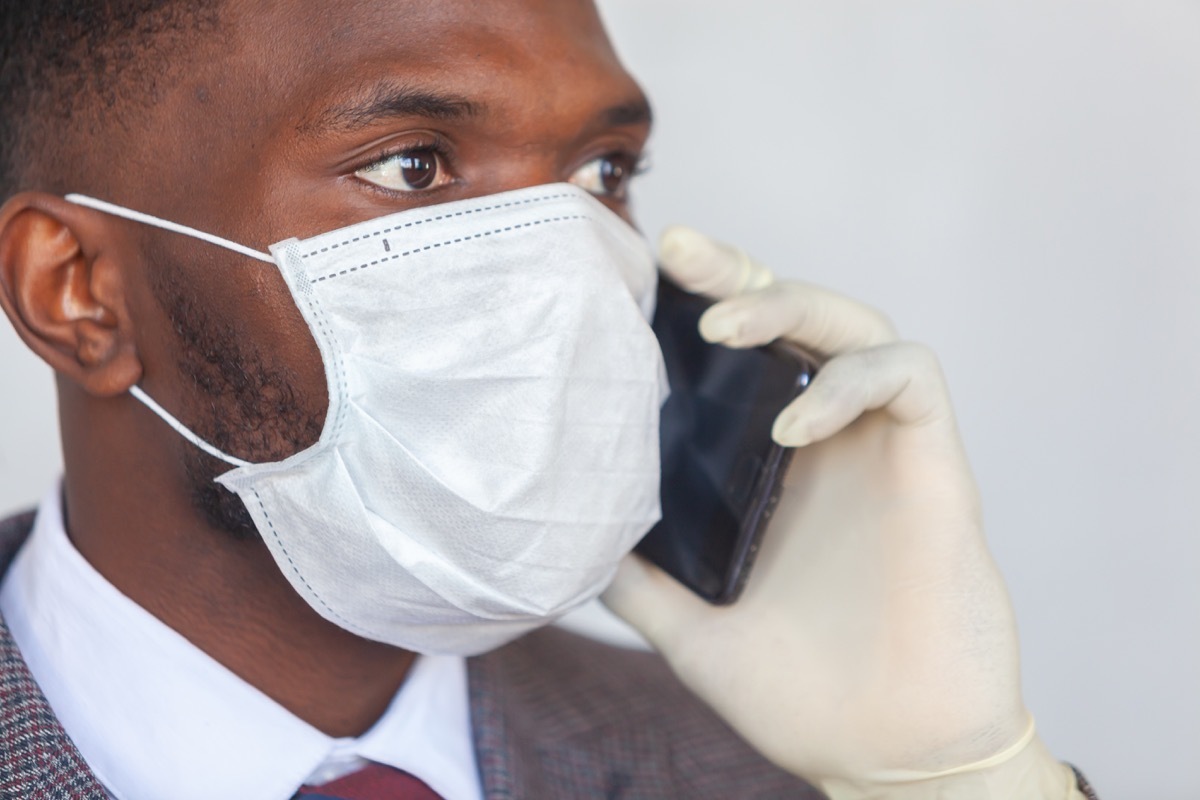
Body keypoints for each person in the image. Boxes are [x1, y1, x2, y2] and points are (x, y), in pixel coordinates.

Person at [0, 1, 1099, 798]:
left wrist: (964, 777)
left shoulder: (744, 766)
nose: (565, 274)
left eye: (601, 173)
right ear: (77, 291)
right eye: (413, 165)